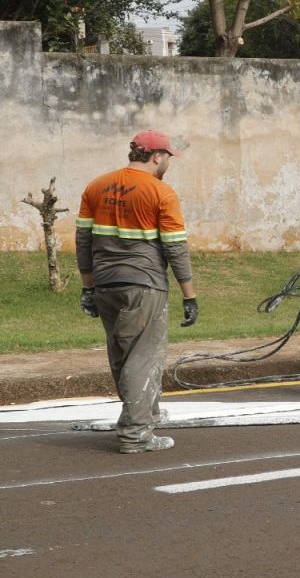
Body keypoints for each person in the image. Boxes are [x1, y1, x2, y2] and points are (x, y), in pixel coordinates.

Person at [76, 130, 198, 454]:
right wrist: (190, 295)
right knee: (144, 356)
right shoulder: (161, 192)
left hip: (104, 285)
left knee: (122, 353)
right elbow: (176, 249)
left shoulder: (95, 186)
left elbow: (83, 243)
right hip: (144, 285)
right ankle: (136, 434)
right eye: (168, 157)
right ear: (157, 156)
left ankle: (146, 413)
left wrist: (88, 288)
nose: (169, 162)